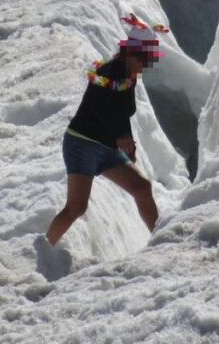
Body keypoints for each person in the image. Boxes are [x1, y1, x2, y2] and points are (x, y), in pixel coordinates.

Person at [45, 14, 166, 245]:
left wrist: (127, 139)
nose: (146, 65)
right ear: (131, 53)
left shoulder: (129, 76)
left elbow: (122, 114)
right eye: (144, 58)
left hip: (106, 148)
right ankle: (45, 245)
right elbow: (101, 110)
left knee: (142, 188)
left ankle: (161, 240)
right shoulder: (108, 73)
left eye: (149, 60)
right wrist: (121, 136)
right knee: (76, 207)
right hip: (82, 144)